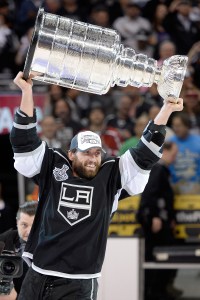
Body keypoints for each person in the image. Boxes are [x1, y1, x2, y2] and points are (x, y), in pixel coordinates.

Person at [10, 71, 183, 300]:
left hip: (79, 283)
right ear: (71, 154)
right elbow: (24, 143)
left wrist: (167, 109)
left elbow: (144, 154)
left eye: (96, 153)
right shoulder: (53, 165)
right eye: (86, 153)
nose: (93, 159)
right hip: (38, 275)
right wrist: (27, 91)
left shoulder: (110, 176)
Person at [137, 141, 180, 300]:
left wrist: (171, 218)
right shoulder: (158, 169)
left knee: (163, 253)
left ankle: (158, 290)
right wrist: (155, 216)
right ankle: (154, 291)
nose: (175, 159)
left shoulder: (162, 170)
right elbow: (150, 194)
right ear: (166, 152)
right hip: (154, 220)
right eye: (174, 155)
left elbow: (164, 198)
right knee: (156, 255)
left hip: (160, 219)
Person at [0, 201, 38, 300]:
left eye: (34, 226)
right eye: (24, 225)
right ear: (17, 222)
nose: (29, 232)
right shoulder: (2, 243)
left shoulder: (56, 249)